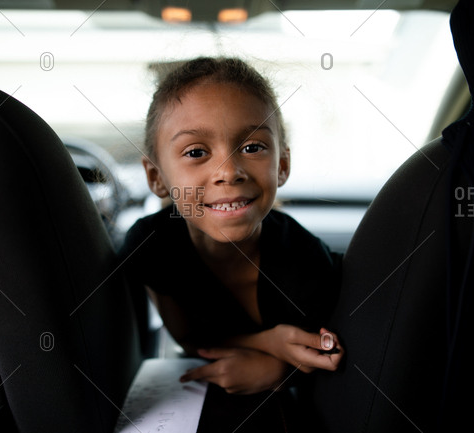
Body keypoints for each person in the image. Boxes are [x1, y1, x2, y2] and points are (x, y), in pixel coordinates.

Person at [120, 57, 343, 397]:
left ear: (282, 165)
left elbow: (329, 360)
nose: (229, 171)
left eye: (253, 147)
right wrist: (269, 343)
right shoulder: (152, 245)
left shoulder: (306, 262)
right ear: (156, 177)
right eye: (196, 152)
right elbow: (191, 340)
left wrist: (280, 370)